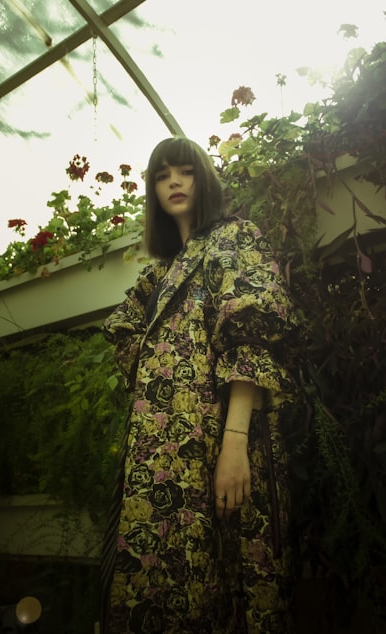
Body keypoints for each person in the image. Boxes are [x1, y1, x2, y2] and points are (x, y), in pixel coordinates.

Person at [101, 136, 301, 633]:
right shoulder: (162, 271)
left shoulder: (235, 237)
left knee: (231, 573)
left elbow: (251, 338)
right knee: (160, 580)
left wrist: (234, 443)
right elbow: (120, 327)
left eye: (184, 170)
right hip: (161, 451)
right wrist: (160, 379)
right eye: (161, 174)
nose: (173, 181)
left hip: (222, 440)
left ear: (203, 178)